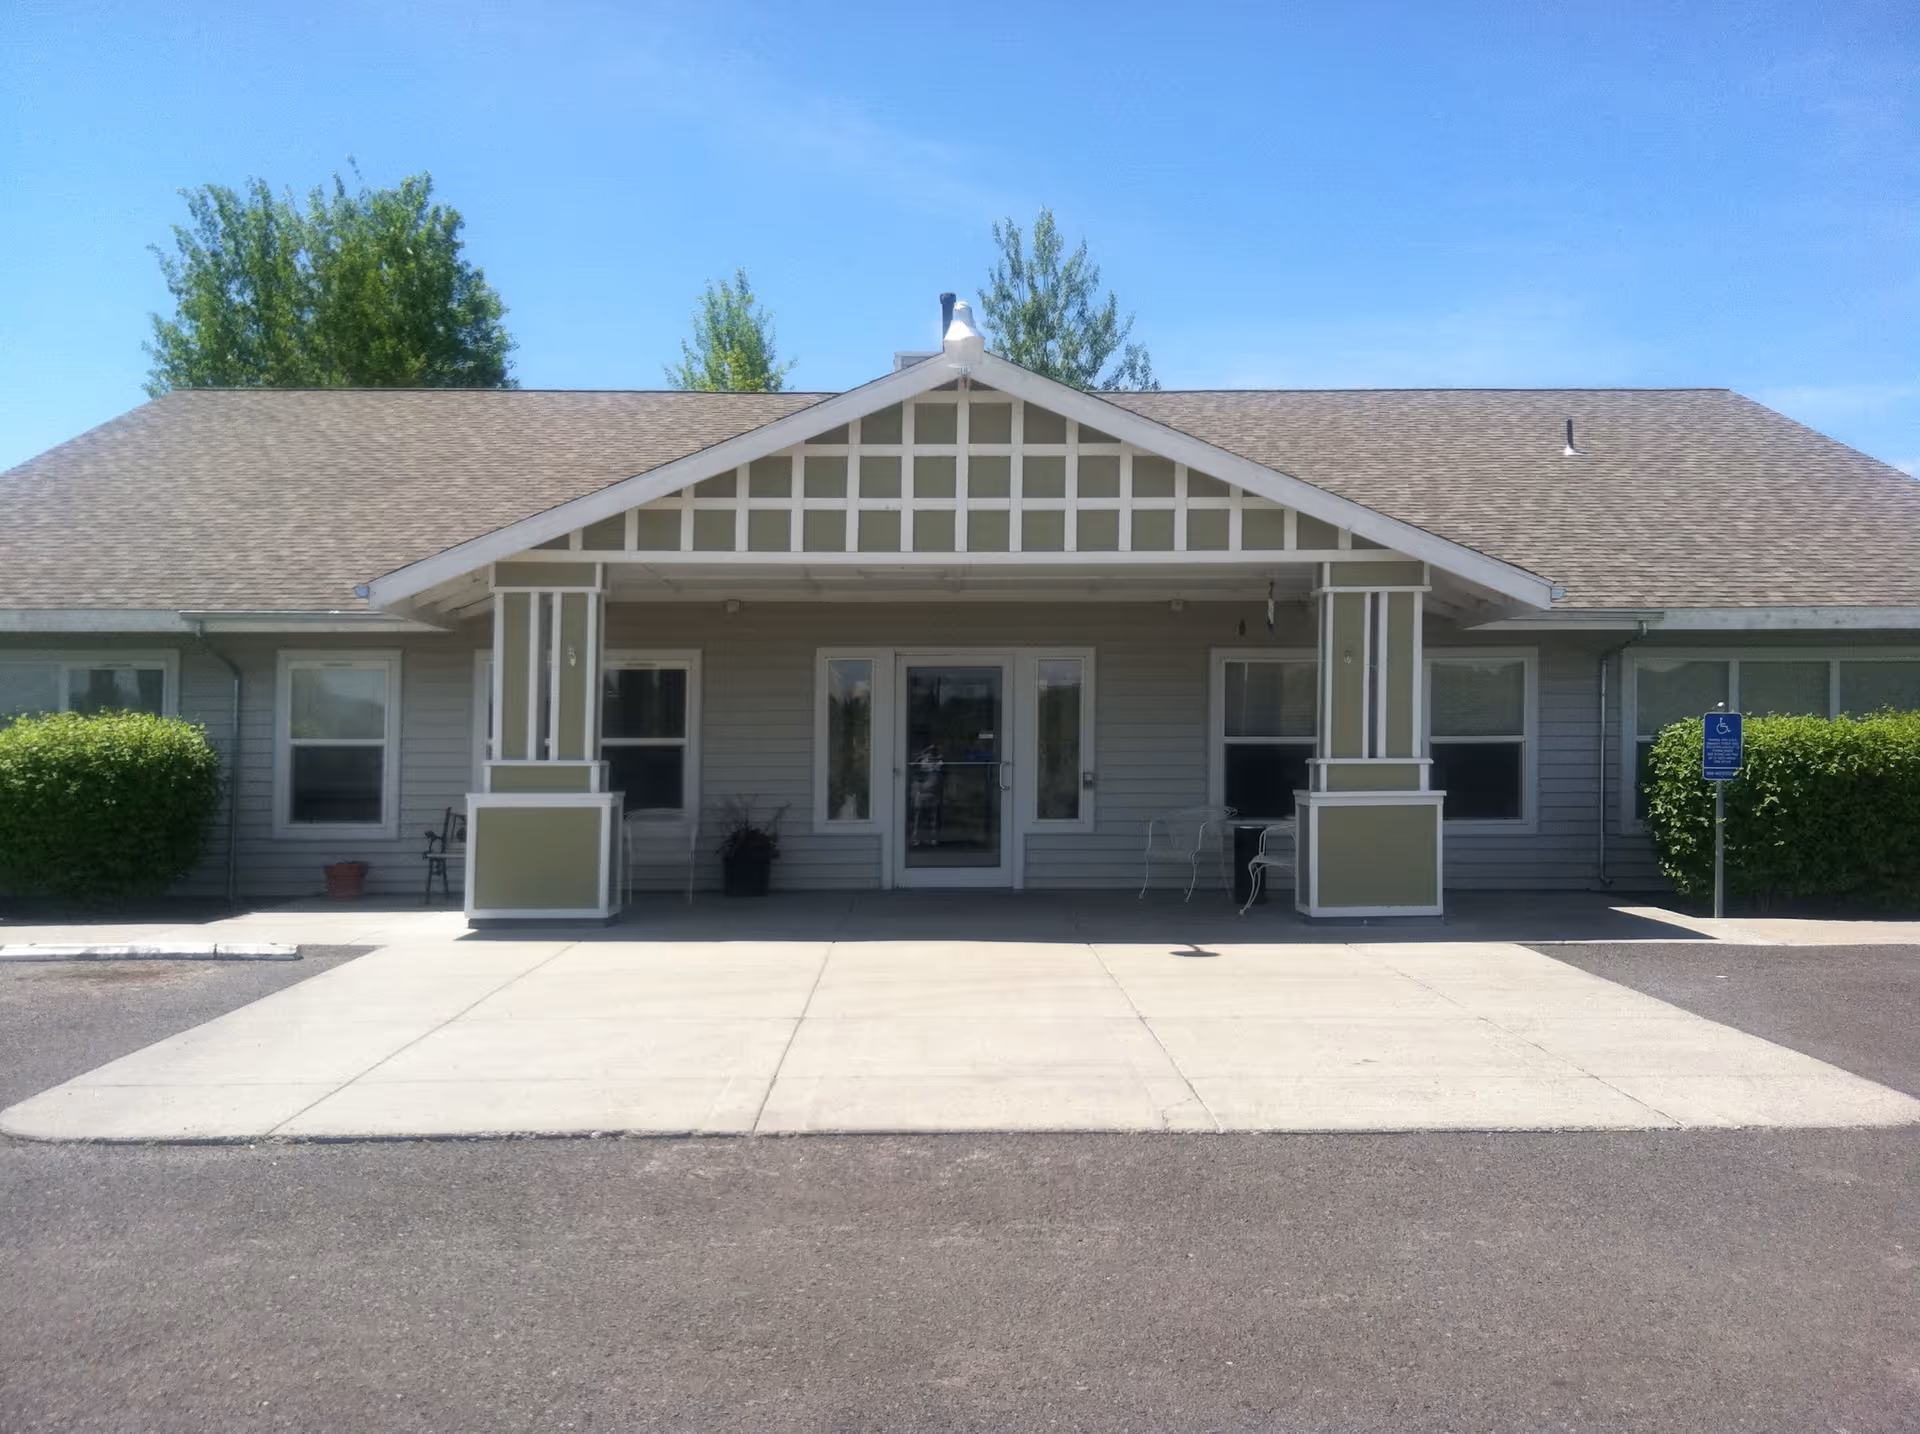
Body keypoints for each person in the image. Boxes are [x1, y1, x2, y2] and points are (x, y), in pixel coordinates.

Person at [909, 743, 943, 847]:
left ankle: (932, 838)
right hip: (922, 792)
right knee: (918, 817)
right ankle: (917, 838)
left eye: (933, 752)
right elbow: (913, 770)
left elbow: (939, 777)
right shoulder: (921, 762)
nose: (931, 755)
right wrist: (921, 756)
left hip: (933, 793)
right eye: (929, 752)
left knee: (933, 817)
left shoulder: (939, 763)